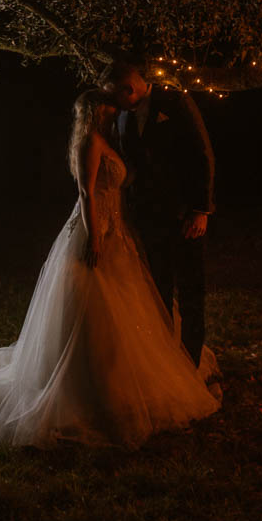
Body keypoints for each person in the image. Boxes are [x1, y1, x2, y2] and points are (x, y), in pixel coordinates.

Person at [0, 89, 221, 447]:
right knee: (93, 307)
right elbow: (85, 194)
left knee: (127, 304)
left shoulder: (109, 138)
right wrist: (95, 236)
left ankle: (117, 379)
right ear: (97, 111)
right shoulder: (89, 144)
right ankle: (88, 384)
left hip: (118, 233)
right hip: (95, 230)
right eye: (109, 104)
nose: (117, 108)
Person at [101, 59, 216, 370]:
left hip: (183, 215)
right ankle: (165, 362)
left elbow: (201, 154)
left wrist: (200, 209)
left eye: (116, 95)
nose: (114, 103)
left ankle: (190, 363)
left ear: (130, 88)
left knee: (191, 291)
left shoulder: (175, 102)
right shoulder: (122, 118)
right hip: (148, 217)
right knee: (158, 290)